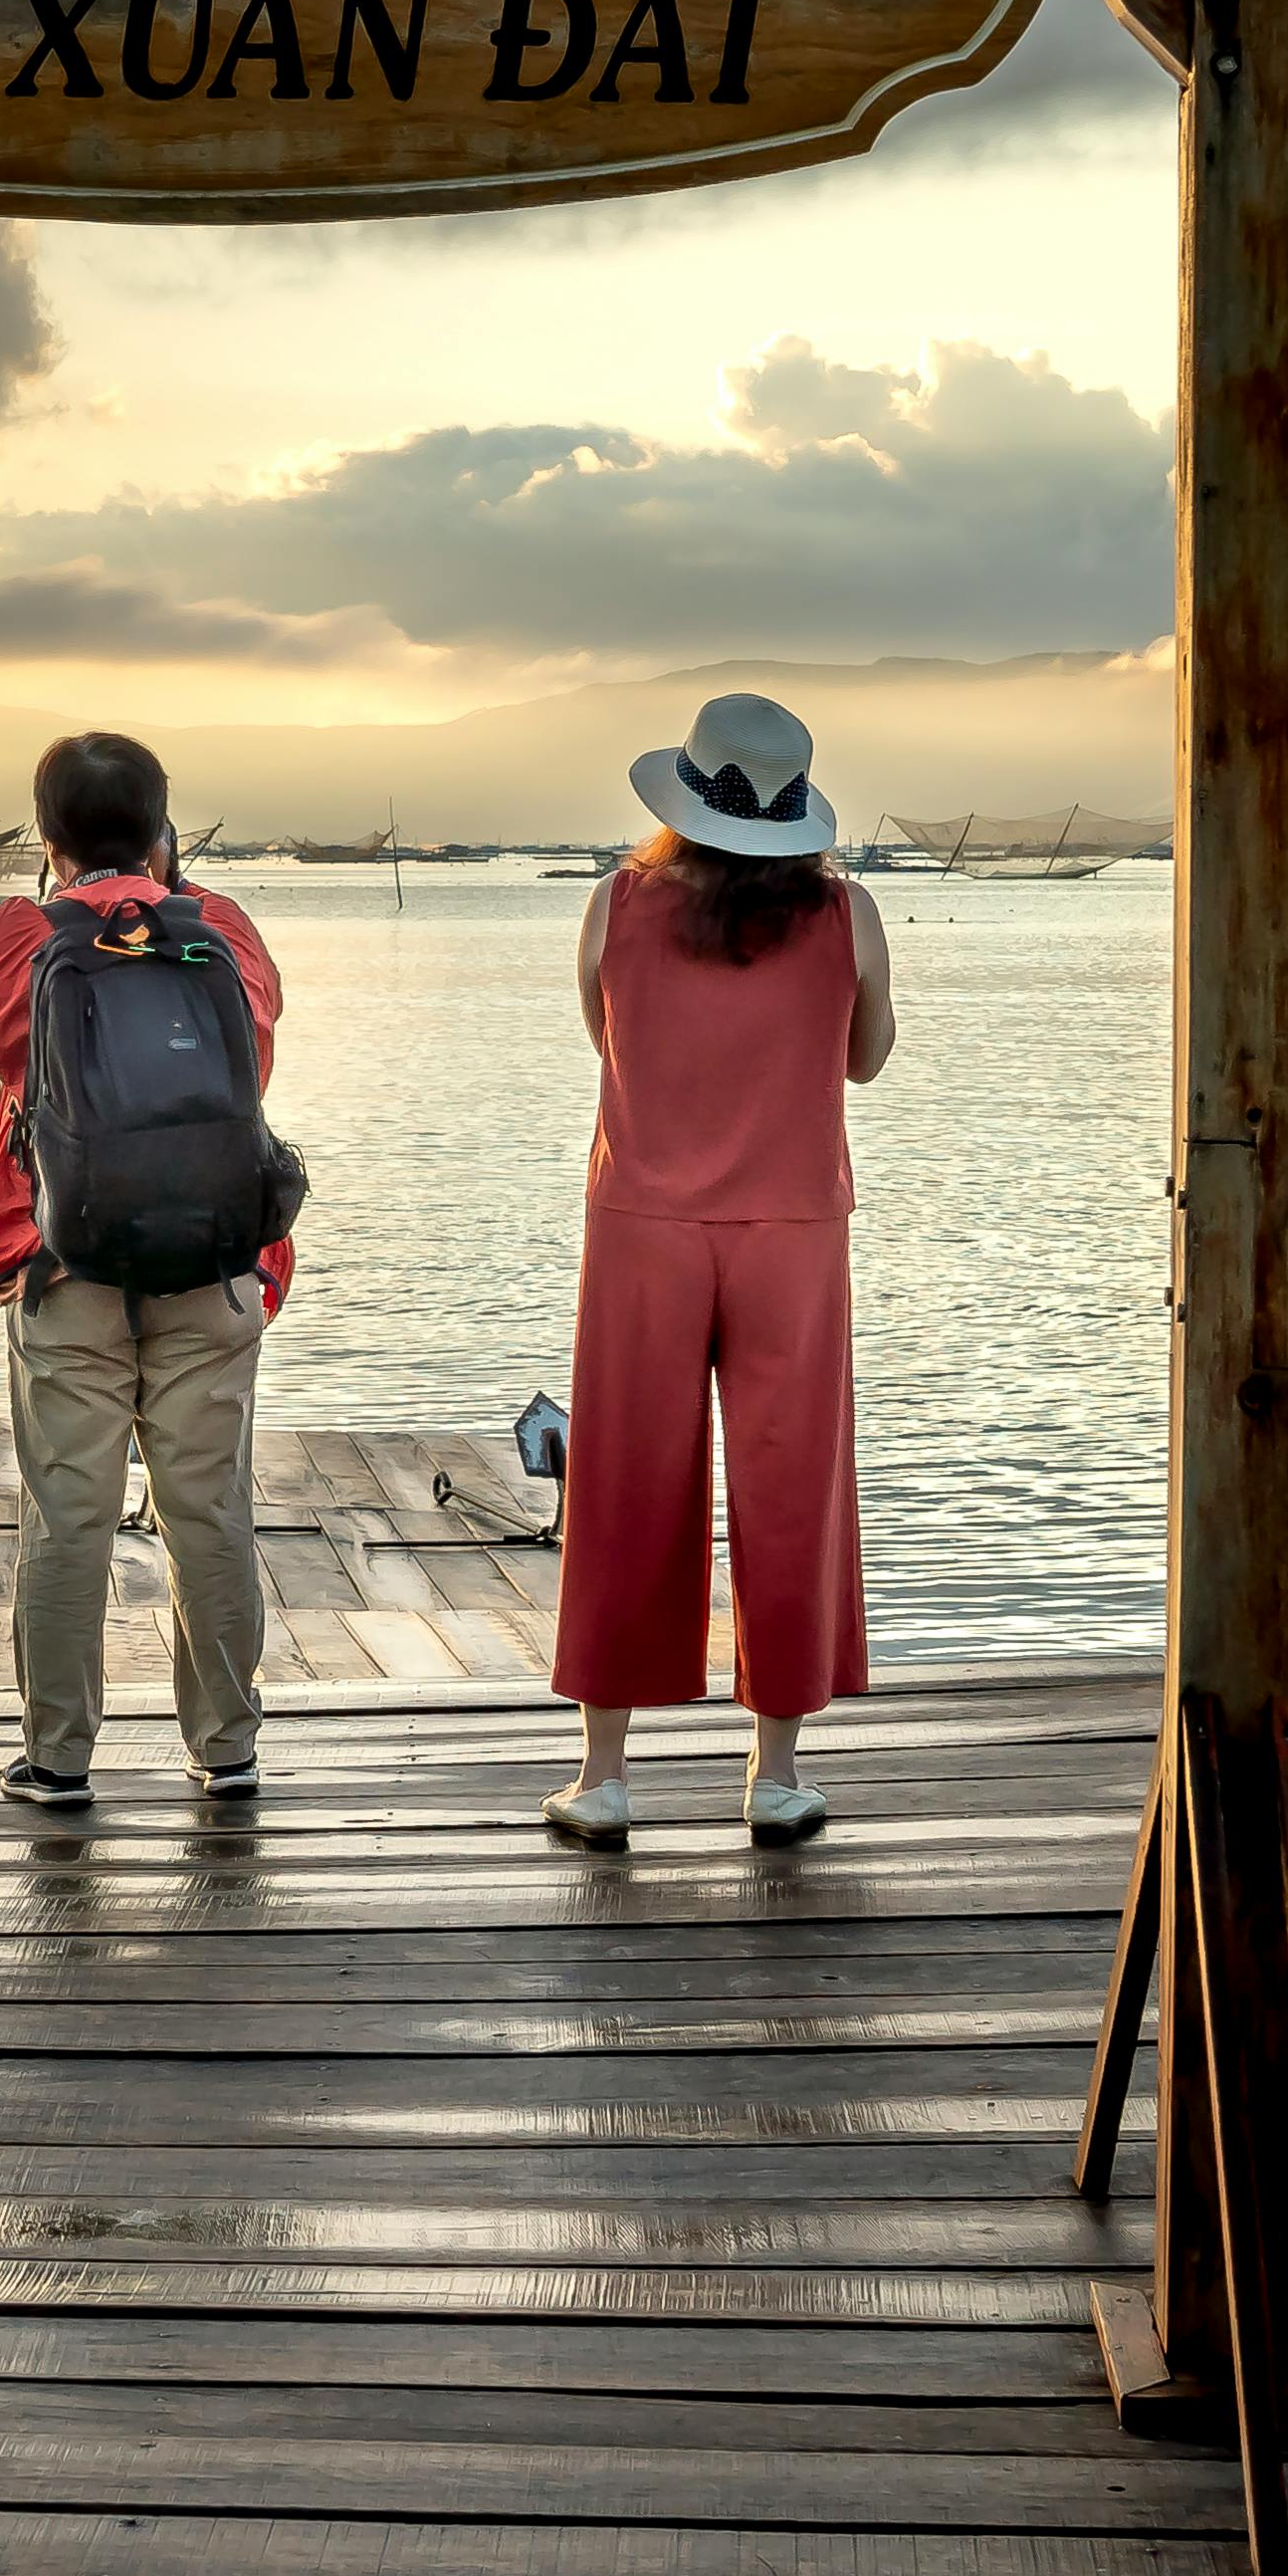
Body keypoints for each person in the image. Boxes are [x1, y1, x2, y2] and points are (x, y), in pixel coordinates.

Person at [546, 688, 889, 1846]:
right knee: (792, 1484)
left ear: (686, 800)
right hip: (790, 1226)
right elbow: (865, 1061)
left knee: (624, 1475)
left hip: (641, 1222)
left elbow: (611, 1040)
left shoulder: (611, 904)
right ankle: (774, 1775)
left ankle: (602, 1779)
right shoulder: (849, 915)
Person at [0, 731, 294, 1811]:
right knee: (209, 1508)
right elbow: (260, 1050)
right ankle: (224, 1748)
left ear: (46, 837)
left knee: (65, 1513)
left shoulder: (18, 933)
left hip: (59, 1260)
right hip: (214, 1258)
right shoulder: (217, 928)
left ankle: (57, 1760)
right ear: (162, 826)